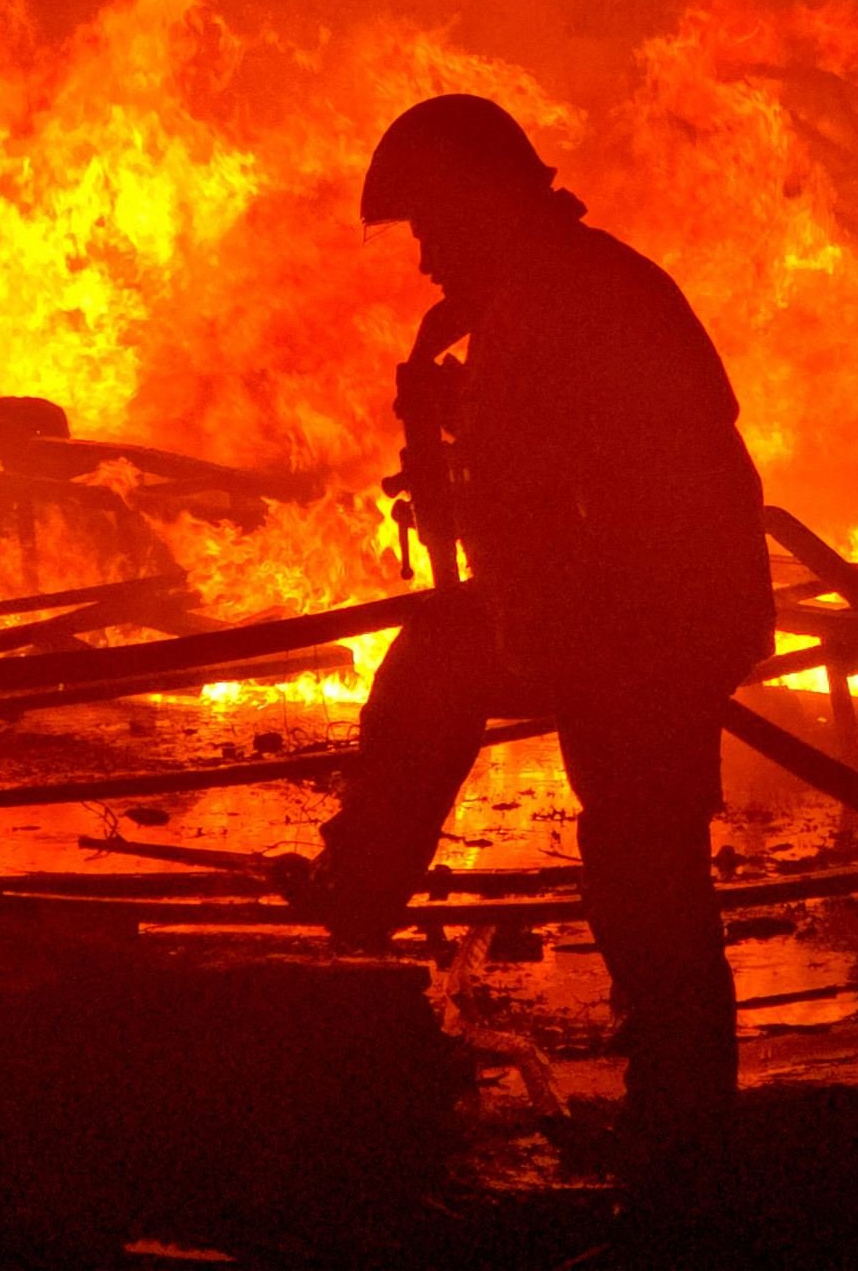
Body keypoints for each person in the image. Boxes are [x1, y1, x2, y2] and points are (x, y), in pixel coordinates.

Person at [313, 93, 775, 1205]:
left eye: (431, 228)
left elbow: (551, 499)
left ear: (482, 205)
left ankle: (687, 1144)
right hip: (639, 611)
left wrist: (464, 458)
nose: (425, 260)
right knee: (636, 854)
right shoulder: (564, 287)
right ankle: (678, 1122)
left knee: (646, 869)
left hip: (648, 623)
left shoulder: (560, 303)